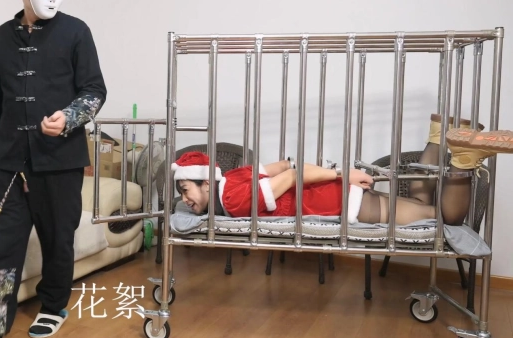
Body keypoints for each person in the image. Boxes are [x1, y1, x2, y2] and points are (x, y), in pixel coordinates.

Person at [0, 0, 107, 338]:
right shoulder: (0, 38)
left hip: (59, 158)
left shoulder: (76, 32)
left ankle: (54, 306)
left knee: (58, 239)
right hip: (10, 161)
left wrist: (69, 117)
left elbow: (95, 91)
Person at [173, 114, 512, 226]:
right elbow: (285, 165)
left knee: (444, 218)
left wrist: (343, 175)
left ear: (205, 183)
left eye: (185, 190)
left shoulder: (232, 200)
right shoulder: (232, 177)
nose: (185, 200)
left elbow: (292, 175)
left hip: (340, 203)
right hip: (336, 195)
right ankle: (441, 134)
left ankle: (463, 158)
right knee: (424, 209)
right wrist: (330, 174)